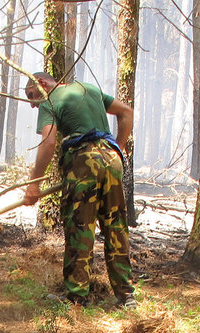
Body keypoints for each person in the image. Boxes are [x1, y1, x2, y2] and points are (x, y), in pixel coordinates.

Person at [23, 72, 136, 309]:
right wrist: (118, 148)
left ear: (42, 84)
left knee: (80, 227)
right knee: (116, 226)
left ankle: (77, 297)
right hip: (113, 159)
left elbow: (49, 142)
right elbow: (126, 112)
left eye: (32, 95)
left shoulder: (49, 100)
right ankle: (126, 296)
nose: (34, 104)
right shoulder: (87, 88)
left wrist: (34, 185)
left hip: (82, 161)